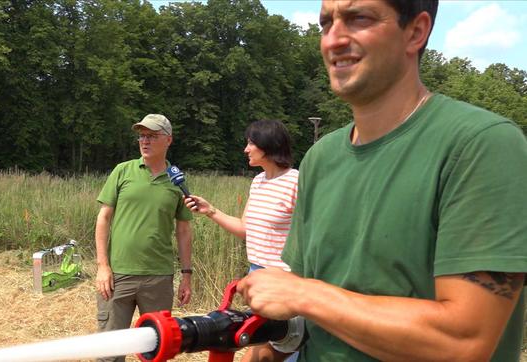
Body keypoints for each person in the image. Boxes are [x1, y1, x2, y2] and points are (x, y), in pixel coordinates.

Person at [237, 1, 527, 361]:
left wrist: (304, 295)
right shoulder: (321, 159)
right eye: (326, 23)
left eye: (359, 18)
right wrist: (269, 349)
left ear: (416, 32)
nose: (334, 40)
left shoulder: (481, 144)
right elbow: (303, 314)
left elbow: (463, 342)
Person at [184, 119, 299, 361]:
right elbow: (245, 229)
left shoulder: (295, 182)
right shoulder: (257, 182)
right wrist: (211, 211)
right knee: (262, 346)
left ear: (268, 145)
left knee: (278, 348)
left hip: (283, 281)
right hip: (255, 277)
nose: (246, 149)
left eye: (250, 143)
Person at [94, 114, 193, 362]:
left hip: (158, 278)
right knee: (109, 352)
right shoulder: (123, 171)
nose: (144, 141)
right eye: (142, 136)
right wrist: (103, 266)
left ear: (168, 140)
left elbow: (183, 230)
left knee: (156, 352)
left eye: (152, 136)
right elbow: (103, 218)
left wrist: (186, 275)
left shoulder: (176, 180)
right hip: (118, 276)